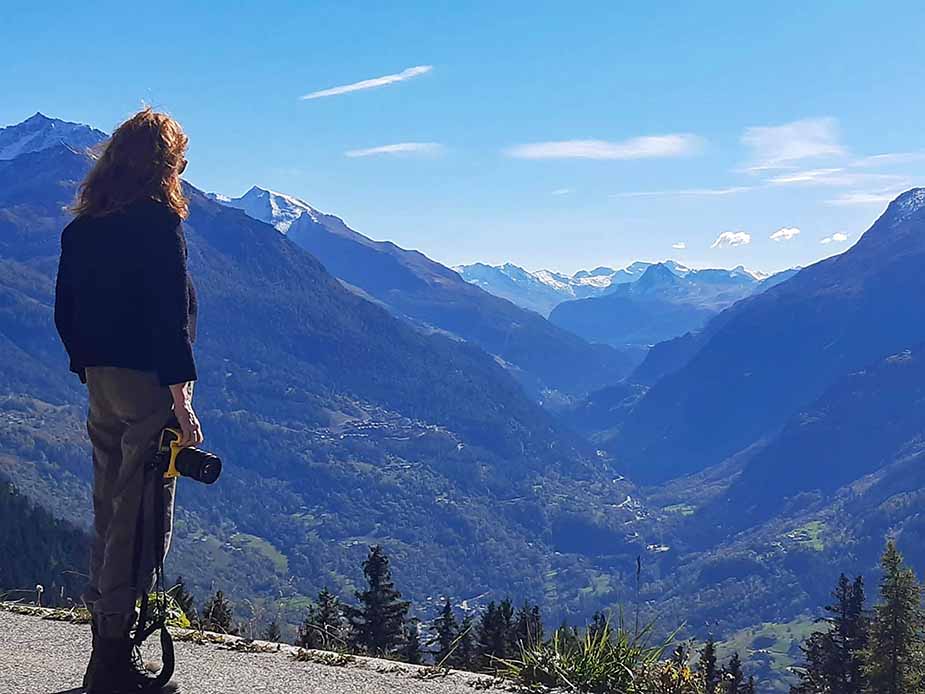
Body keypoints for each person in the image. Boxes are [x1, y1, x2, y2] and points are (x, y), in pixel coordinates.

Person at [54, 107, 202, 693]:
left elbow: (64, 313)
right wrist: (182, 401)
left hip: (101, 384)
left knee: (107, 509)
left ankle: (105, 645)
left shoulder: (82, 228)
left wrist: (88, 367)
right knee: (140, 515)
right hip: (147, 385)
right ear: (163, 165)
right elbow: (169, 319)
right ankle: (114, 661)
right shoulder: (157, 224)